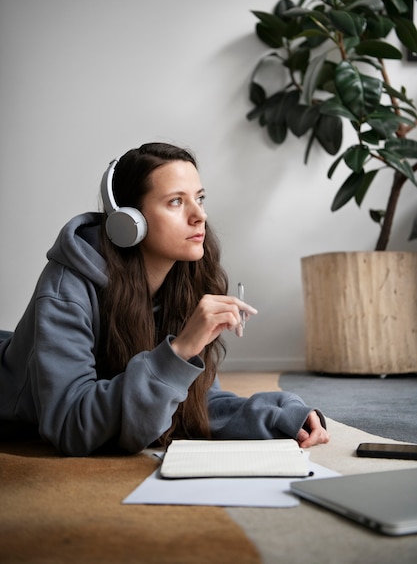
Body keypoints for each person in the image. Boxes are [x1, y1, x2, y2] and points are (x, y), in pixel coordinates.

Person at [0, 142, 329, 456]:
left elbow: (192, 405)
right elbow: (71, 425)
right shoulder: (66, 288)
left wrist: (282, 416)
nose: (198, 215)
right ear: (129, 222)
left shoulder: (185, 279)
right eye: (176, 201)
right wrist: (180, 350)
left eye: (199, 198)